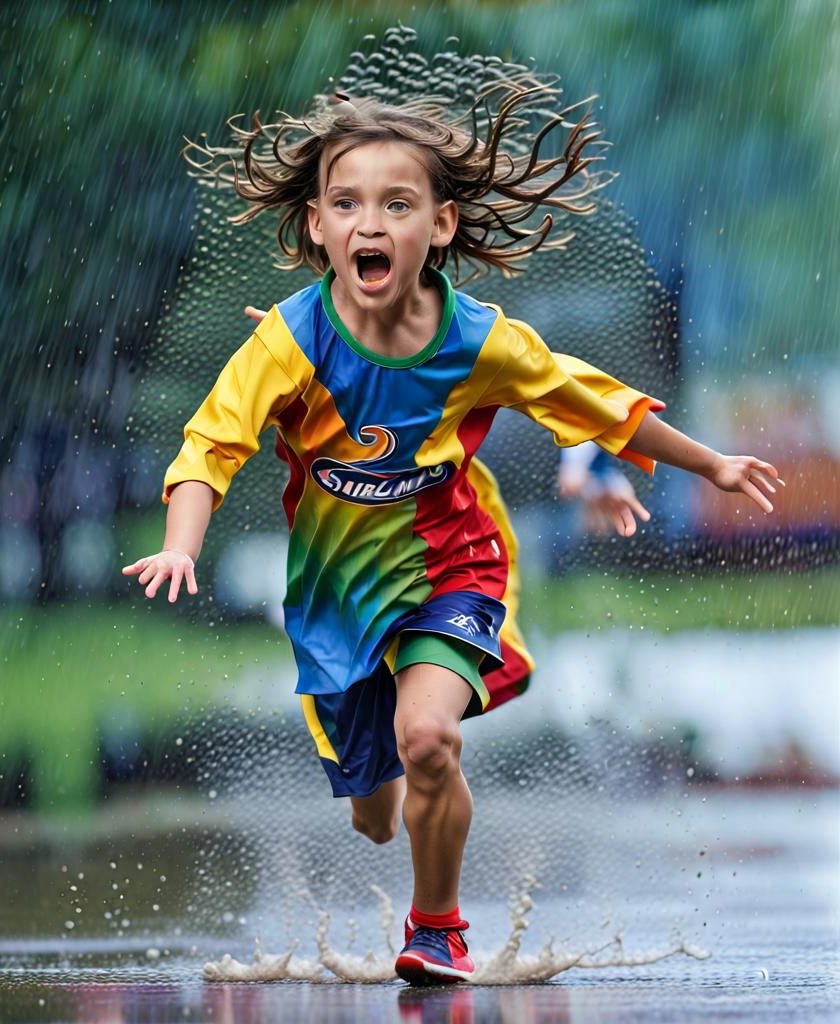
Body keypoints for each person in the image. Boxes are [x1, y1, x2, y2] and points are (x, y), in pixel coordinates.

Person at [122, 88, 781, 985]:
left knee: (429, 738)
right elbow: (210, 444)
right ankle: (382, 789)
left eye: (398, 203)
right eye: (348, 203)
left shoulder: (481, 343)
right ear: (317, 225)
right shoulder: (289, 340)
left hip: (454, 572)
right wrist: (181, 543)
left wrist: (713, 466)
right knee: (372, 813)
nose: (371, 222)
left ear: (441, 225)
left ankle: (437, 929)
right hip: (338, 597)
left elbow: (595, 401)